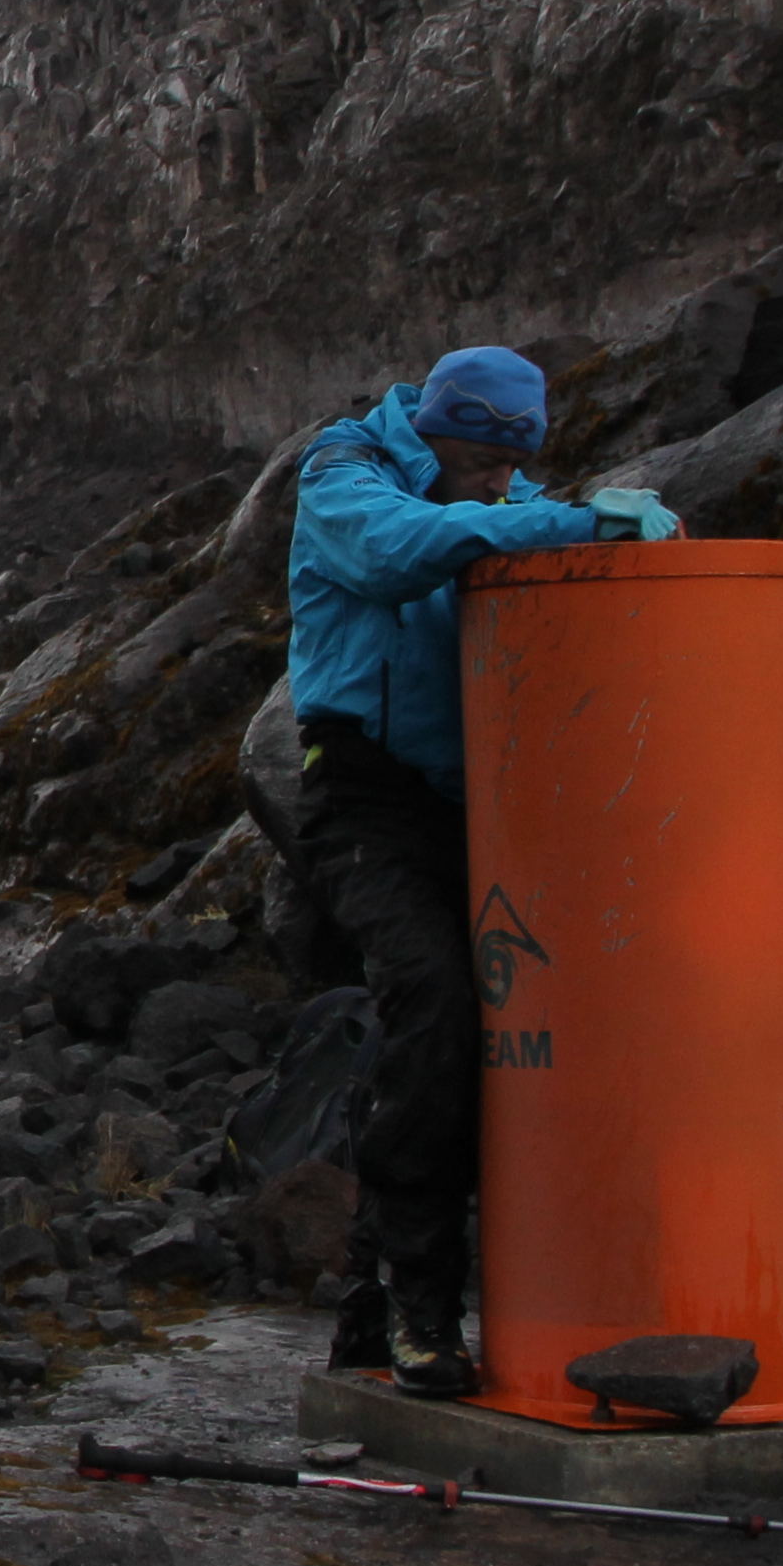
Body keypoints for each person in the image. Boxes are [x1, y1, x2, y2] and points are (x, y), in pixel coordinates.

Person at [286, 344, 677, 1395]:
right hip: (362, 797)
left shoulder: (503, 491)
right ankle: (423, 1300)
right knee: (436, 999)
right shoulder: (343, 471)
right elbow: (391, 552)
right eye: (480, 462)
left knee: (516, 1030)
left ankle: (379, 1296)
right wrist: (577, 520)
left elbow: (526, 535)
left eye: (515, 469)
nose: (500, 487)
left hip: (487, 804)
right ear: (440, 431)